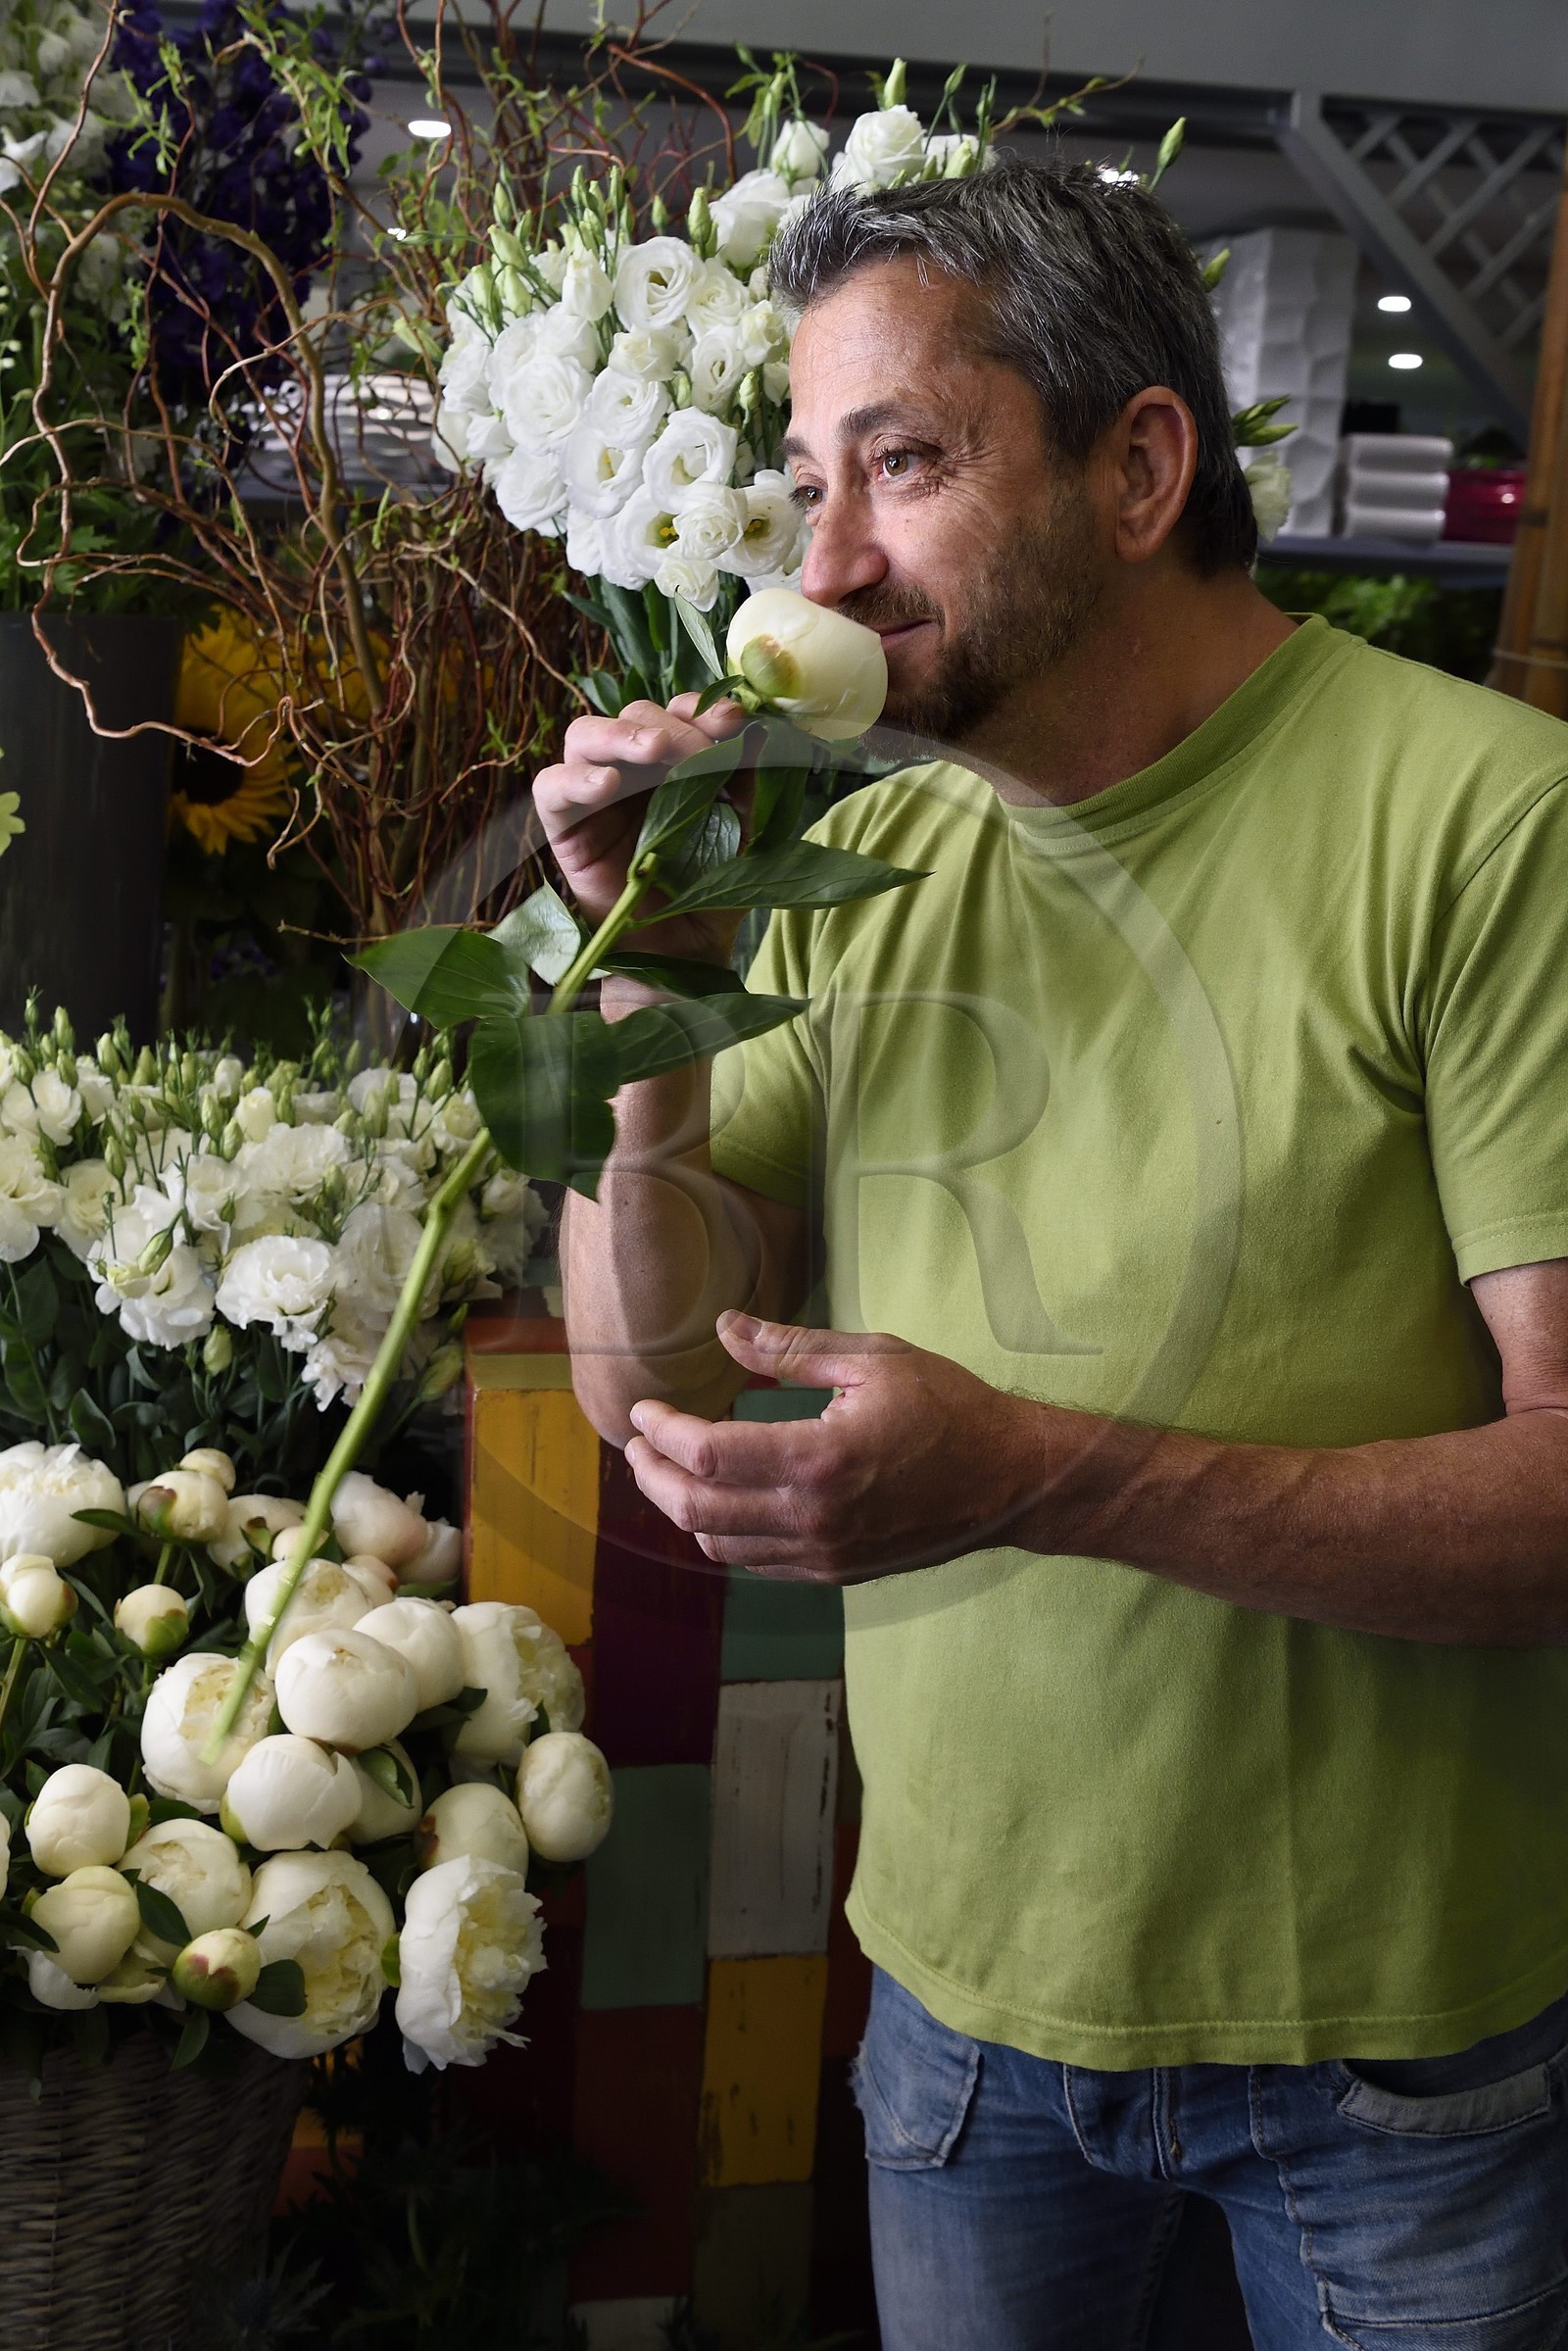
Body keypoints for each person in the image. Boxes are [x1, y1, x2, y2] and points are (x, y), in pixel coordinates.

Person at [535, 158, 1568, 2349]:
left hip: (1391, 2065)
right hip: (959, 2013)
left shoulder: (1485, 824)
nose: (822, 562)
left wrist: (1033, 1473)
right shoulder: (865, 855)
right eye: (808, 482)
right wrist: (650, 1004)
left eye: (899, 465)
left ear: (1136, 466)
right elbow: (647, 1389)